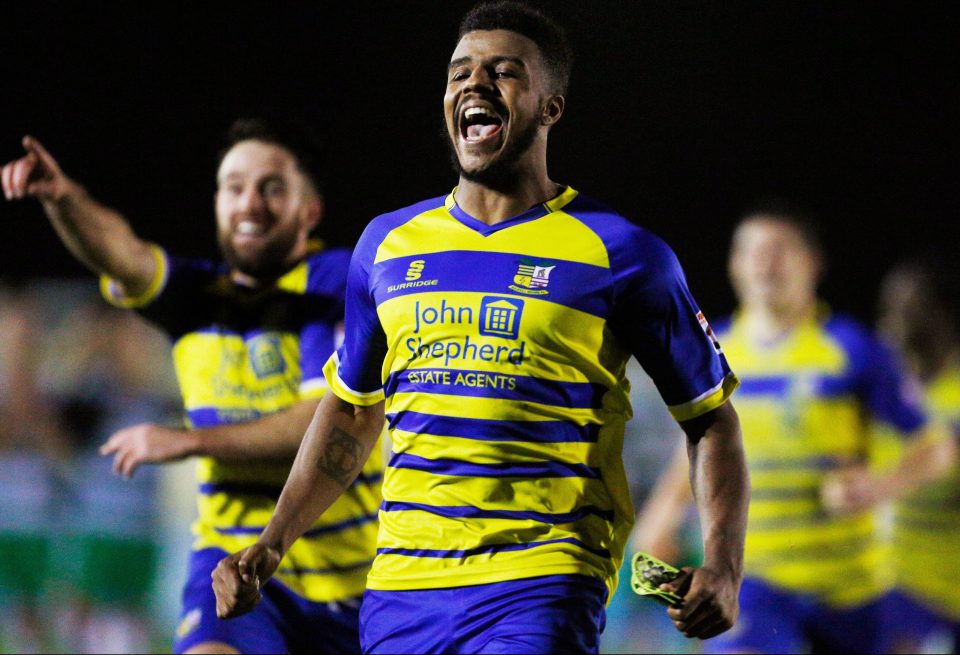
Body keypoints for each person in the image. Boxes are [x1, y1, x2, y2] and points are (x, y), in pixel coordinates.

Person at [212, 3, 750, 654]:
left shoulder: (623, 252)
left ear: (551, 107)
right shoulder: (385, 246)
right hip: (399, 591)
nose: (475, 84)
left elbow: (710, 417)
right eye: (460, 71)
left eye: (503, 72)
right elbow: (352, 414)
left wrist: (722, 563)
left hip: (542, 579)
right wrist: (272, 542)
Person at [1, 117, 384, 654]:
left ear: (309, 211)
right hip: (232, 568)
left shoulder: (338, 284)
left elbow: (326, 419)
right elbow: (124, 255)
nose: (249, 202)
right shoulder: (197, 295)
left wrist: (189, 440)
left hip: (355, 580)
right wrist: (63, 199)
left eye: (271, 188)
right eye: (234, 188)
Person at [633, 203, 957, 654]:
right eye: (753, 251)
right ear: (735, 265)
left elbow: (937, 448)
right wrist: (662, 513)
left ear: (813, 264)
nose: (767, 263)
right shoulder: (711, 351)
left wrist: (879, 487)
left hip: (850, 585)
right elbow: (698, 445)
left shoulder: (851, 348)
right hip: (754, 580)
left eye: (781, 250)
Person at [875, 259, 960, 654]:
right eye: (889, 309)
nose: (894, 321)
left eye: (911, 309)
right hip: (899, 593)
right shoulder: (884, 397)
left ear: (942, 316)